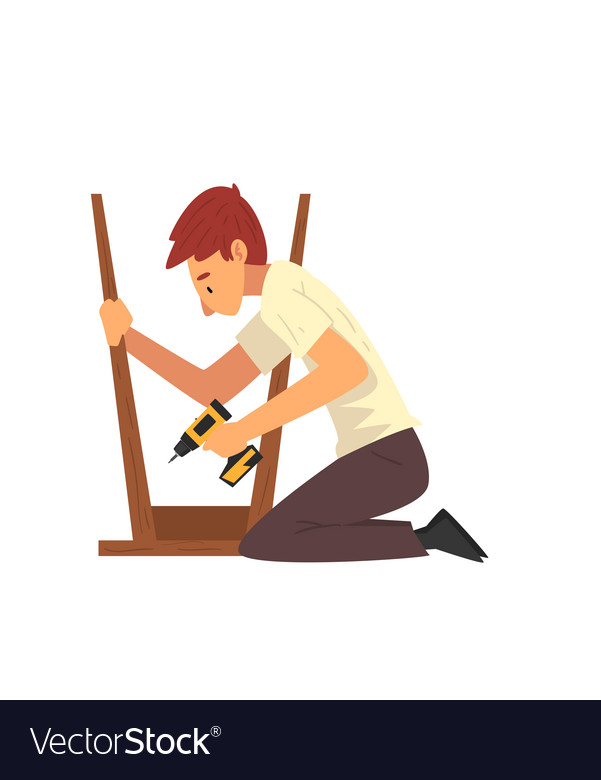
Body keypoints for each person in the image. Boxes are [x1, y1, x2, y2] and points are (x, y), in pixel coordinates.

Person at [99, 184, 486, 563]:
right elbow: (212, 386)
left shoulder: (283, 294)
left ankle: (429, 537)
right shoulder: (278, 303)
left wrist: (241, 431)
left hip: (389, 457)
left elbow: (345, 370)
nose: (206, 306)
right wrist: (128, 337)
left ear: (237, 253)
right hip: (384, 456)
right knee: (277, 535)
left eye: (207, 284)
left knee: (270, 539)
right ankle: (428, 536)